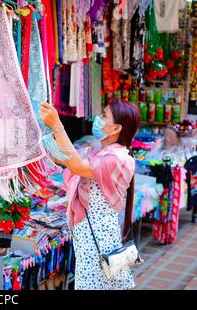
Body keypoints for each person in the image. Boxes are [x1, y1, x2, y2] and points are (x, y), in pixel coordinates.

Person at [39, 99, 140, 290]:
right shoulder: (98, 150)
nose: (98, 118)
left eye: (104, 115)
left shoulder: (117, 159)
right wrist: (44, 133)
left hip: (99, 240)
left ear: (116, 128)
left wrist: (57, 124)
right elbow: (65, 158)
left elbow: (75, 165)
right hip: (89, 236)